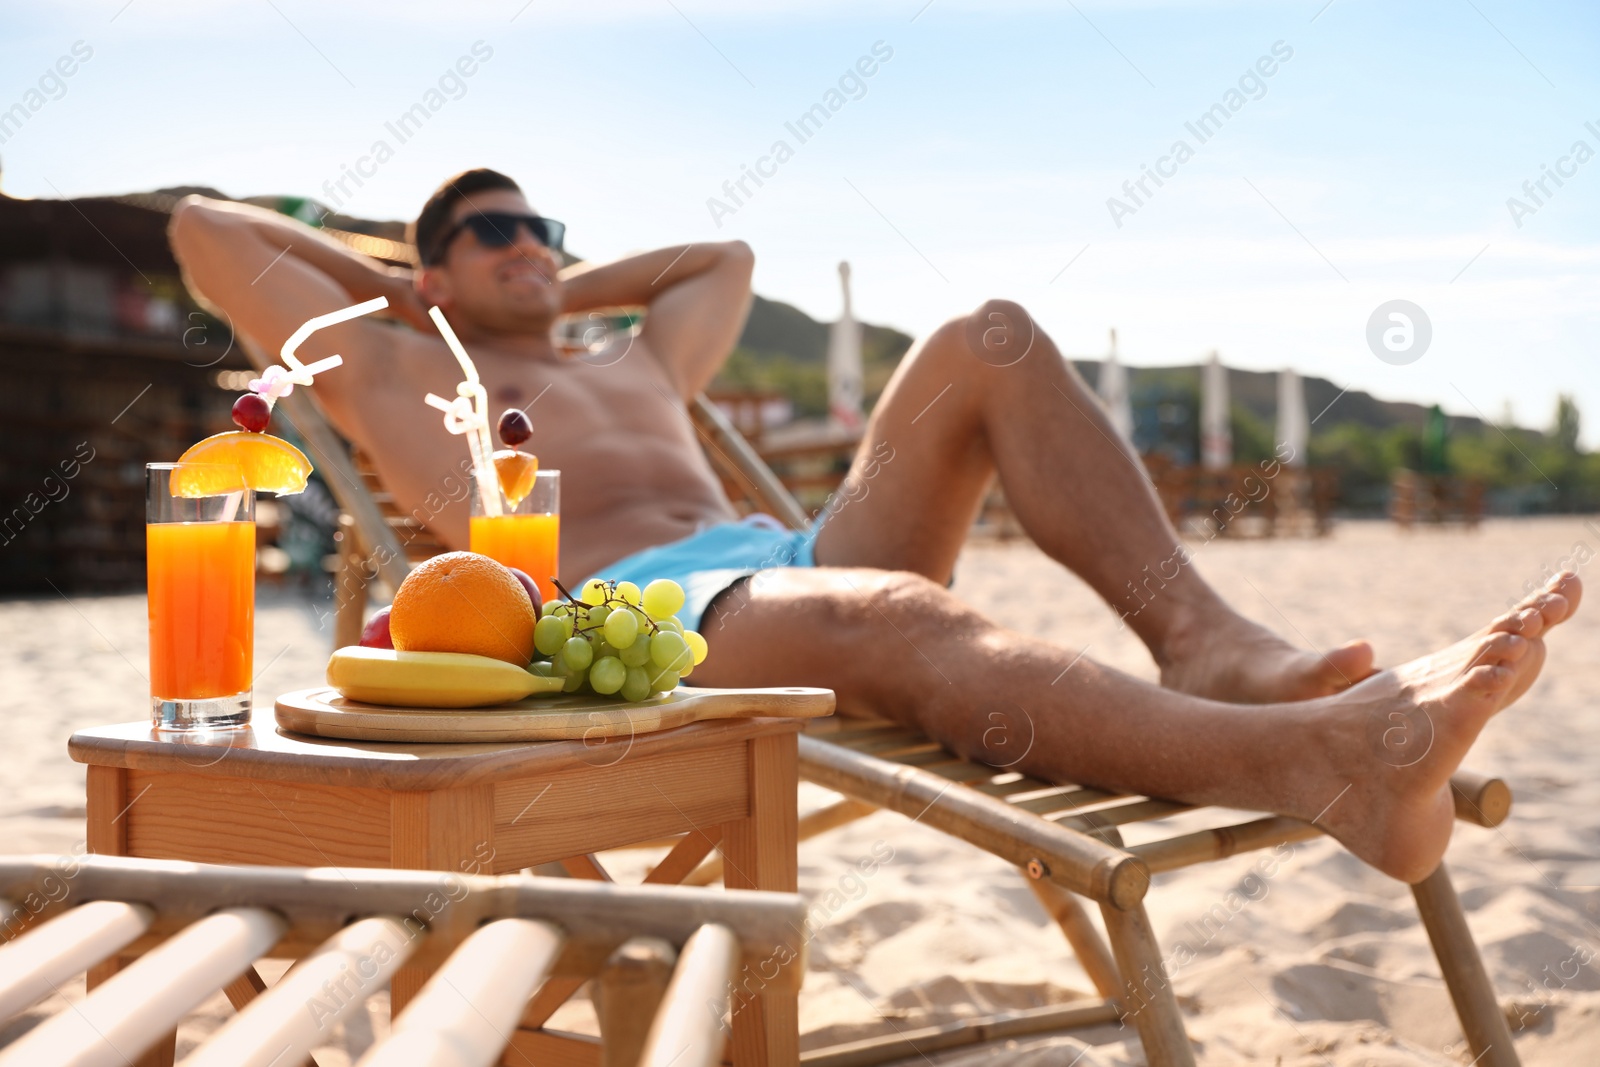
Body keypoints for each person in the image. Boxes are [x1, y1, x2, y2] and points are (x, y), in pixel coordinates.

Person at [170, 168, 1580, 884]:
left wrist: (550, 278)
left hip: (783, 570)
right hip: (626, 618)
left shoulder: (635, 362)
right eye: (494, 230)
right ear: (430, 265)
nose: (528, 239)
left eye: (542, 220)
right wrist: (413, 290)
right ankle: (1319, 765)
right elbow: (201, 231)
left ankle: (1213, 647)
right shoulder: (412, 370)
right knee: (897, 624)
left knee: (994, 336)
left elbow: (727, 258)